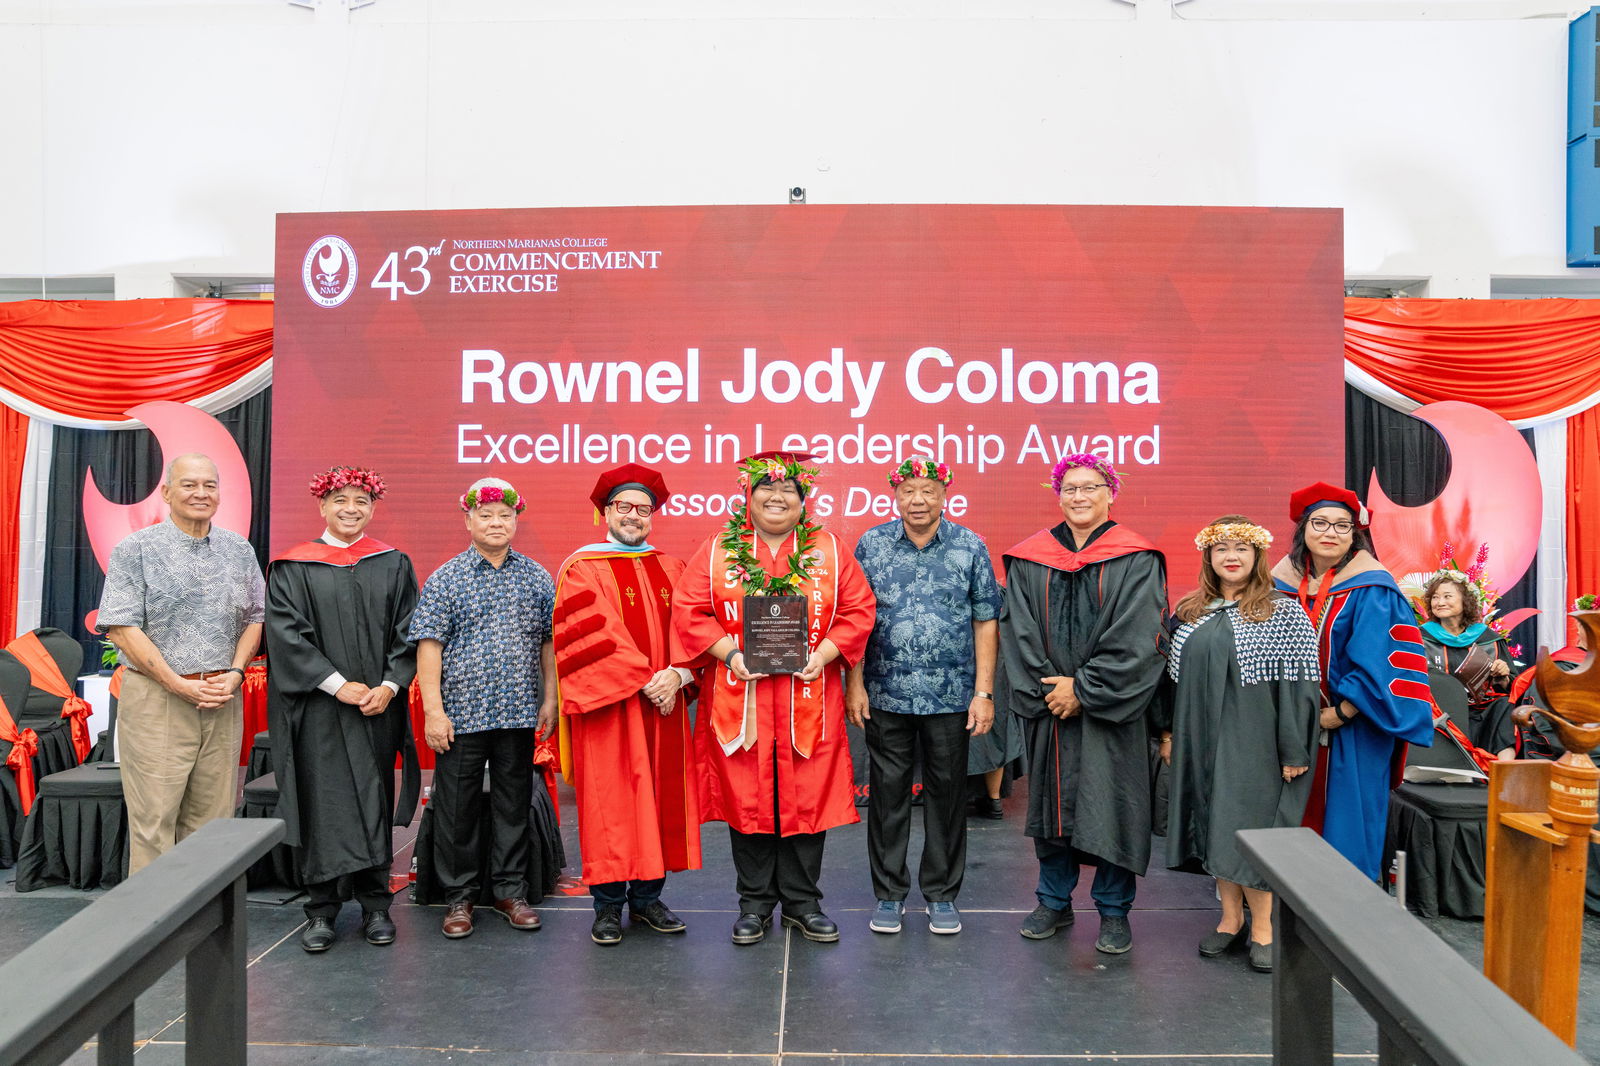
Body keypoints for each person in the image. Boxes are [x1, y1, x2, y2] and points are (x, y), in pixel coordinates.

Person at [670, 451, 875, 945]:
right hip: (743, 696)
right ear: (749, 496)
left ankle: (803, 903)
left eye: (789, 491)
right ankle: (755, 904)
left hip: (809, 694)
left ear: (803, 501)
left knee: (805, 796)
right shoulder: (720, 549)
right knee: (748, 798)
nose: (777, 497)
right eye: (766, 489)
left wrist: (824, 654)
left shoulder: (828, 549)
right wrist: (731, 653)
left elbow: (858, 609)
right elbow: (690, 608)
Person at [997, 454, 1167, 954]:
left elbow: (1139, 636)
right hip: (1052, 708)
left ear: (1110, 493)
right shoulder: (1030, 558)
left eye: (1090, 487)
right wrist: (1055, 690)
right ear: (1059, 495)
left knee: (1114, 807)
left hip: (1112, 710)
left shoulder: (1137, 557)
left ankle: (1114, 911)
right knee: (1051, 809)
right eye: (1070, 488)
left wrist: (1084, 689)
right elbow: (1019, 631)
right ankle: (1054, 900)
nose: (1079, 496)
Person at [265, 466, 420, 953]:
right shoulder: (294, 567)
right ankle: (323, 910)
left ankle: (376, 906)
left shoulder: (393, 563)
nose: (351, 509)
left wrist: (391, 686)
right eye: (341, 500)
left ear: (373, 507)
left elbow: (410, 631)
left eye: (362, 500)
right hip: (321, 709)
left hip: (378, 706)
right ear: (322, 506)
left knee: (373, 796)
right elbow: (286, 637)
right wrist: (337, 686)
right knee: (324, 800)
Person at [846, 458, 1002, 935]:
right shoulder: (871, 545)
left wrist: (984, 692)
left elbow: (986, 620)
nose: (918, 500)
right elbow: (854, 618)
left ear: (943, 495)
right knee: (887, 797)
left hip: (952, 697)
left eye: (928, 490)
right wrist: (854, 683)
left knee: (947, 797)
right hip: (885, 693)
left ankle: (941, 895)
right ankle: (889, 896)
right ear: (895, 494)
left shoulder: (969, 546)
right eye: (910, 490)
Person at [1161, 515, 1321, 974]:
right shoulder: (1191, 611)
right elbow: (1172, 684)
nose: (1231, 557)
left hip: (1255, 742)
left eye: (1241, 549)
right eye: (1221, 549)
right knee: (1214, 827)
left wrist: (1293, 749)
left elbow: (1298, 687)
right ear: (1208, 558)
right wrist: (1169, 735)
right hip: (1200, 738)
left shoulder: (1281, 610)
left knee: (1252, 831)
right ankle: (1229, 919)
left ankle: (1264, 926)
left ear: (1258, 557)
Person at [552, 463, 701, 946]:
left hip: (665, 706)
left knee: (659, 800)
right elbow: (591, 638)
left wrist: (678, 675)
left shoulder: (674, 567)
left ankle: (648, 898)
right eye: (625, 507)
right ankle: (608, 905)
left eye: (644, 509)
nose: (635, 516)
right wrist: (646, 680)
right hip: (610, 710)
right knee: (611, 804)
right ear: (606, 512)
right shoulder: (582, 569)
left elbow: (693, 631)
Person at [97, 453, 264, 875]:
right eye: (189, 485)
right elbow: (121, 628)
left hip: (220, 700)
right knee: (155, 822)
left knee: (213, 821)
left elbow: (256, 618)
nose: (200, 493)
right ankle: (153, 932)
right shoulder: (136, 549)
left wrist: (236, 672)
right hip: (158, 699)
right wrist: (176, 683)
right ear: (168, 493)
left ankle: (203, 931)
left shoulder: (238, 549)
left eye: (209, 485)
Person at [409, 477, 556, 939]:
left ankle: (510, 891)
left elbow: (548, 644)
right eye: (486, 515)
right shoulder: (446, 577)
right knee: (457, 809)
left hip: (518, 712)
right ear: (468, 520)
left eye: (505, 515)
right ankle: (459, 896)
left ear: (517, 520)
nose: (496, 523)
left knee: (514, 806)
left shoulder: (536, 576)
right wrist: (434, 711)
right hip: (461, 715)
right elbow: (428, 647)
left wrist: (550, 698)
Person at [1269, 481, 1433, 881]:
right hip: (1283, 727)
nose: (1330, 533)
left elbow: (1386, 661)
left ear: (1355, 534)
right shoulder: (1278, 584)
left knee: (1347, 822)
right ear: (1303, 529)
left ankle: (1348, 913)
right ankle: (1284, 910)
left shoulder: (1374, 586)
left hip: (1353, 728)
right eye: (1320, 523)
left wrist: (1340, 713)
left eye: (1342, 526)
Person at [1419, 570, 1514, 753]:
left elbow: (1510, 688)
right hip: (1439, 710)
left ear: (1465, 601)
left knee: (1503, 706)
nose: (1440, 602)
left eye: (1447, 596)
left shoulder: (1488, 638)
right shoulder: (1420, 638)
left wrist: (1503, 678)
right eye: (1435, 597)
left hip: (1480, 709)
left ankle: (1503, 773)